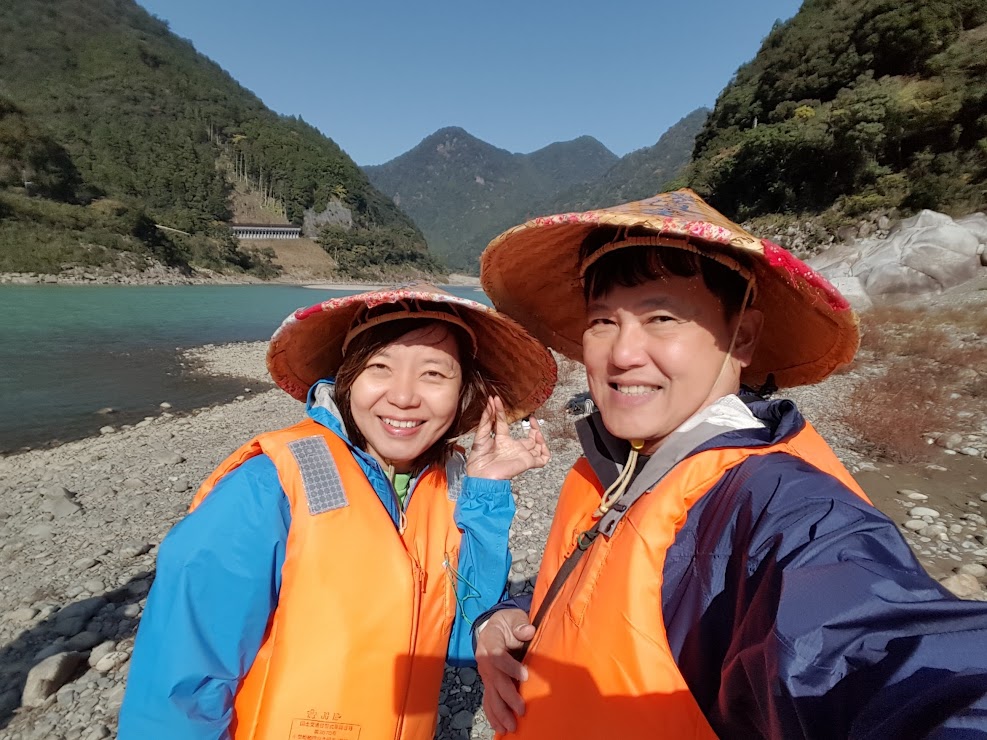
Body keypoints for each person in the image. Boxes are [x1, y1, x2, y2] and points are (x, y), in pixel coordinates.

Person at [473, 190, 987, 738]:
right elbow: (604, 579)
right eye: (602, 320)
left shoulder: (780, 504)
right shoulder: (615, 465)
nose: (620, 354)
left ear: (740, 337)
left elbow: (872, 649)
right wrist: (505, 616)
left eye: (662, 317)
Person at [118, 282, 557, 739]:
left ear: (465, 390)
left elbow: (462, 634)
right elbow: (181, 679)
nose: (403, 397)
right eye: (379, 368)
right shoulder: (271, 484)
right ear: (347, 380)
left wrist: (486, 493)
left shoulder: (446, 485)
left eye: (434, 374)